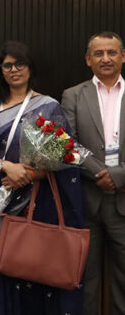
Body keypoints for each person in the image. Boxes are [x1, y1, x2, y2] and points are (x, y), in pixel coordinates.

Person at [0, 41, 84, 315]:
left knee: (31, 269)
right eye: (8, 65)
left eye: (19, 63)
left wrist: (29, 174)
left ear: (30, 68)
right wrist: (8, 167)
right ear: (1, 70)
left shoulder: (49, 106)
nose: (14, 70)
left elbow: (65, 160)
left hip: (37, 203)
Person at [61, 31, 125, 315]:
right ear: (88, 60)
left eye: (112, 52)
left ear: (123, 56)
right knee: (85, 280)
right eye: (98, 53)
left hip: (124, 200)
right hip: (87, 201)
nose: (105, 58)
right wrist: (102, 173)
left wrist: (119, 175)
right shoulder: (73, 95)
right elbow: (67, 144)